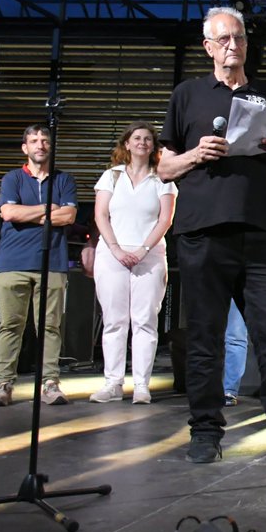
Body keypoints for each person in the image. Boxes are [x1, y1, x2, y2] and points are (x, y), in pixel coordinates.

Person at [158, 5, 266, 465]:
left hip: (263, 234)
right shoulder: (187, 95)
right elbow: (164, 168)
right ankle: (205, 431)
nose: (233, 46)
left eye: (239, 38)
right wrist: (196, 154)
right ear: (208, 46)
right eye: (224, 39)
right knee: (205, 338)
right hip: (203, 234)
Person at [0, 125, 78, 407]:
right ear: (25, 148)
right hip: (12, 262)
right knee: (10, 325)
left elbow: (69, 216)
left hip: (52, 263)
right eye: (34, 140)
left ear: (51, 146)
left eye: (45, 140)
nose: (40, 145)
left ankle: (50, 383)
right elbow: (9, 212)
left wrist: (29, 214)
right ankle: (3, 384)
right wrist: (50, 209)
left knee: (50, 326)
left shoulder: (64, 179)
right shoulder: (12, 178)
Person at [88, 122, 177, 404]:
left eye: (147, 139)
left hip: (149, 256)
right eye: (136, 138)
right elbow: (101, 215)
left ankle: (141, 385)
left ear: (153, 146)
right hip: (111, 255)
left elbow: (165, 220)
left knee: (145, 321)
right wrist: (115, 249)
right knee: (114, 321)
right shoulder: (111, 176)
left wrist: (142, 250)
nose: (142, 142)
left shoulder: (162, 178)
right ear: (126, 144)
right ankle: (113, 384)